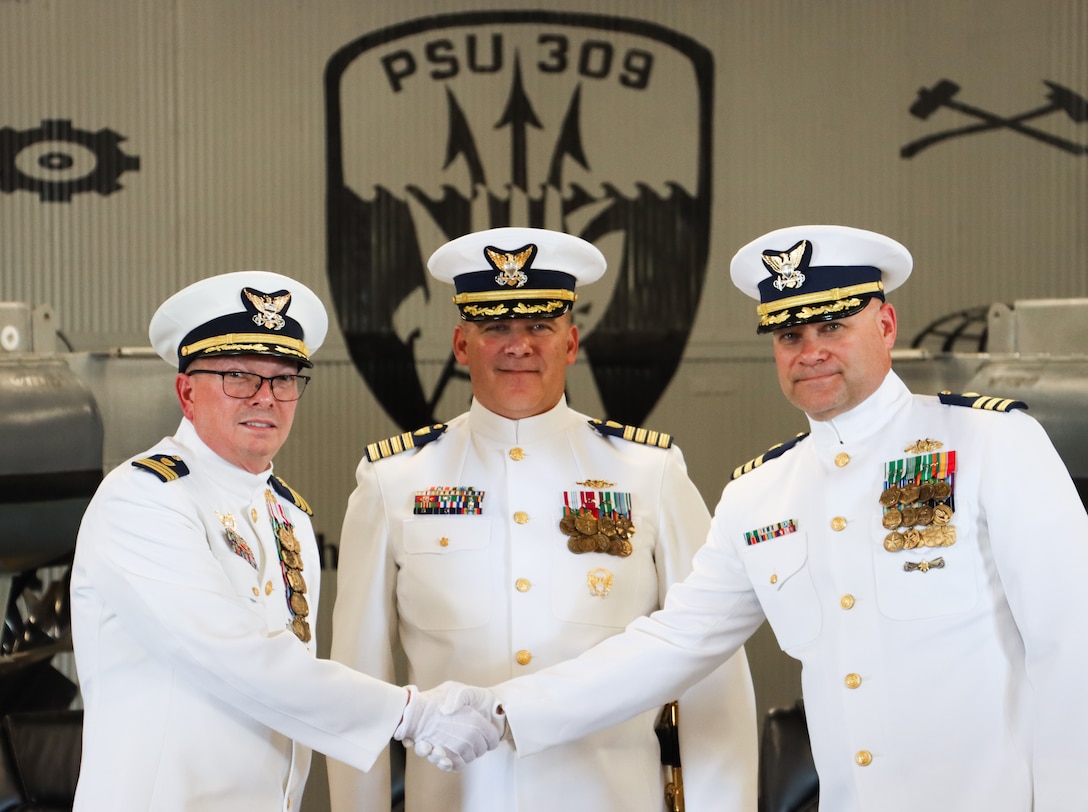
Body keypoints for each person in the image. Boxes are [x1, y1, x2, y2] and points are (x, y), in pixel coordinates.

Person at [438, 225, 1088, 811]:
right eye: (790, 335)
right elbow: (671, 645)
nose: (810, 352)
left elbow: (1071, 644)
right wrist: (499, 709)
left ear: (886, 325)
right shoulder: (762, 494)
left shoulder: (990, 443)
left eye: (832, 327)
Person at [328, 227, 759, 812]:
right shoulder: (393, 481)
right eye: (495, 327)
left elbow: (712, 669)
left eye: (539, 326)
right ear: (460, 344)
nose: (519, 345)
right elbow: (359, 682)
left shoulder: (649, 473)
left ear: (571, 341)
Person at [69, 271, 499, 812]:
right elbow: (236, 659)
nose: (266, 398)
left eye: (284, 379)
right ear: (186, 392)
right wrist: (408, 713)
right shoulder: (143, 499)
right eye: (239, 377)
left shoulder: (286, 513)